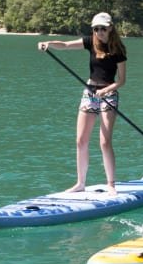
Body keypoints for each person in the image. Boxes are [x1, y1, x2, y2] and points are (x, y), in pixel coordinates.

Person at [37, 12, 126, 192]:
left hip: (108, 95)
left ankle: (111, 184)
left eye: (102, 28)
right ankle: (80, 183)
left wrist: (105, 91)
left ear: (110, 28)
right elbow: (66, 45)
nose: (99, 32)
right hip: (90, 92)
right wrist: (49, 44)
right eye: (96, 29)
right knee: (80, 140)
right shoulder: (89, 42)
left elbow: (122, 80)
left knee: (104, 141)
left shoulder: (118, 49)